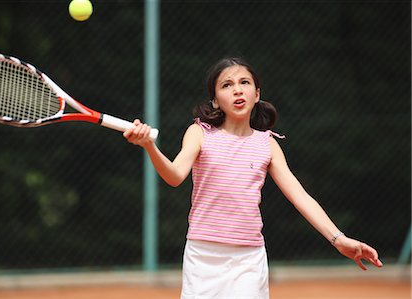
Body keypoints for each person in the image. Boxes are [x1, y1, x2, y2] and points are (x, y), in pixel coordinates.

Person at [124, 57, 383, 299]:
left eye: (244, 83)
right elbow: (174, 175)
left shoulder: (267, 144)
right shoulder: (199, 132)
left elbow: (301, 197)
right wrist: (150, 147)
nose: (237, 90)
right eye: (227, 85)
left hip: (248, 258)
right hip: (204, 256)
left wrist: (338, 239)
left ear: (256, 94)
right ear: (215, 100)